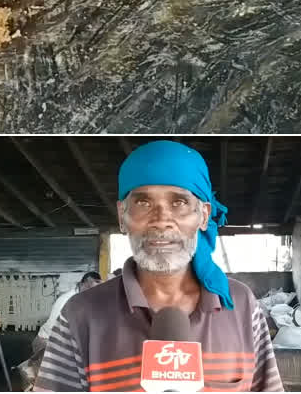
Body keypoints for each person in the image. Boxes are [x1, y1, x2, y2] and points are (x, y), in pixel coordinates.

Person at [35, 141, 283, 392]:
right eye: (144, 203)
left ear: (204, 216)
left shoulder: (241, 305)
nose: (162, 221)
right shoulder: (80, 315)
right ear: (122, 217)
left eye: (179, 203)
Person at [34, 272, 102, 353]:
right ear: (84, 284)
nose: (91, 294)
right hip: (45, 342)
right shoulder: (68, 300)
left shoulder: (81, 298)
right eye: (90, 288)